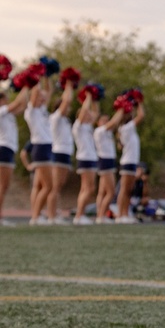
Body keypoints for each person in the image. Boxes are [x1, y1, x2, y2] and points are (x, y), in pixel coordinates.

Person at [24, 65, 56, 225]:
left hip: (46, 148)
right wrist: (35, 74)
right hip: (40, 148)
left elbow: (48, 91)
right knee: (49, 186)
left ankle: (37, 215)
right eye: (40, 97)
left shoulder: (42, 110)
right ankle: (35, 217)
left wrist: (46, 75)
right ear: (34, 98)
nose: (43, 98)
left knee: (42, 185)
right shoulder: (31, 110)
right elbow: (36, 92)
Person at [47, 73, 78, 223]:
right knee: (55, 186)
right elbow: (67, 100)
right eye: (66, 106)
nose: (69, 108)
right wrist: (69, 85)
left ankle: (54, 213)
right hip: (58, 153)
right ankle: (51, 215)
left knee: (59, 186)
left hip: (65, 153)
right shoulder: (55, 118)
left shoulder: (65, 120)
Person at [0, 79, 30, 226]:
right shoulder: (1, 111)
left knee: (4, 186)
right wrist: (25, 84)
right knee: (2, 186)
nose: (7, 100)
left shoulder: (8, 114)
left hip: (9, 149)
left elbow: (23, 106)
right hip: (3, 149)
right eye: (5, 98)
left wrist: (29, 88)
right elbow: (17, 103)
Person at [114, 92, 145, 223]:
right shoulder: (126, 128)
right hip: (127, 162)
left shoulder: (127, 129)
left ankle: (125, 213)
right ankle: (120, 215)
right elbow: (141, 115)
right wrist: (139, 103)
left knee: (129, 190)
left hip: (132, 161)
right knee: (124, 189)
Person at [71, 88, 101, 225]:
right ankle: (79, 215)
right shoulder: (79, 126)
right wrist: (88, 96)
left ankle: (80, 214)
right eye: (87, 114)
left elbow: (96, 112)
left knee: (86, 188)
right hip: (85, 158)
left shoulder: (88, 127)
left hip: (90, 158)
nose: (90, 116)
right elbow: (84, 112)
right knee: (89, 188)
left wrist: (95, 98)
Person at [93, 111, 118, 223]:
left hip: (108, 160)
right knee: (111, 191)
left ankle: (100, 214)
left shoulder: (107, 133)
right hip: (105, 160)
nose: (106, 122)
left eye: (107, 120)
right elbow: (114, 122)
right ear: (98, 122)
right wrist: (121, 109)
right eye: (103, 120)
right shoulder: (99, 131)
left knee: (102, 191)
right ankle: (101, 215)